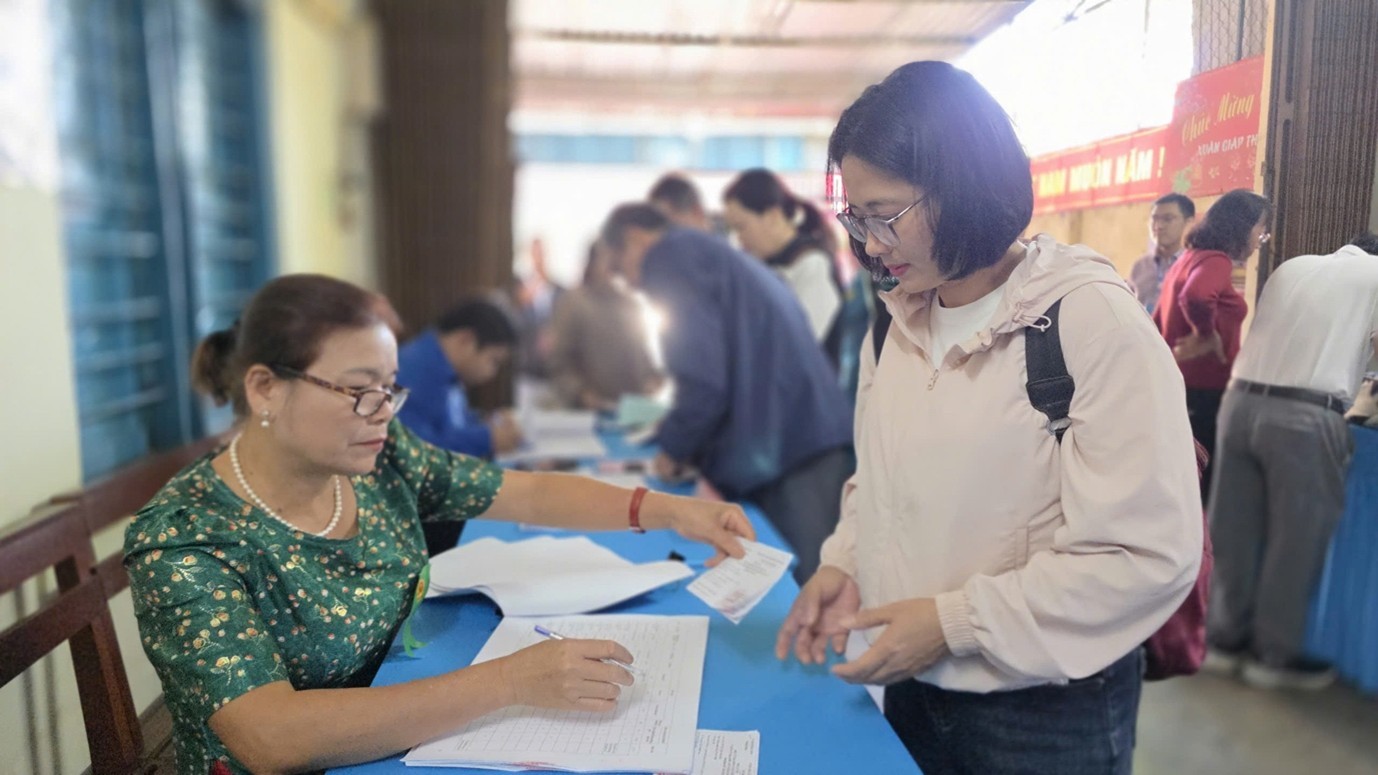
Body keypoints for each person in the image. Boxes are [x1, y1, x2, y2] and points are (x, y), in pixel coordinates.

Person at [124, 274, 754, 775]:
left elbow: (526, 494)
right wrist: (511, 680)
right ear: (265, 388)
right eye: (358, 390)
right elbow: (269, 737)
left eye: (391, 389)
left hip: (398, 725)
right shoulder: (187, 538)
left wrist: (668, 510)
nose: (383, 412)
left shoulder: (379, 457)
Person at [774, 61, 1201, 775]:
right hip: (911, 684)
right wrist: (847, 563)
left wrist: (951, 623)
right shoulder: (896, 321)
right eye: (856, 215)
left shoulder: (1085, 321)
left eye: (886, 215)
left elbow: (1147, 554)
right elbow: (881, 482)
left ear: (965, 187)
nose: (869, 243)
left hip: (1038, 716)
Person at [599, 203, 853, 583]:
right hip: (800, 433)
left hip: (793, 447)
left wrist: (673, 448)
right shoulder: (704, 251)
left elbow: (703, 380)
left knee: (808, 591)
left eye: (621, 270)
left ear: (636, 239)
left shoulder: (669, 258)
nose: (630, 284)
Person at [1205, 233, 1378, 690]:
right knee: (1295, 539)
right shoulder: (1376, 278)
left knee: (1234, 528)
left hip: (1239, 404)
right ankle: (1272, 655)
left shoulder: (1296, 265)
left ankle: (1222, 641)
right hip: (1305, 416)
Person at [1153, 189, 1272, 504]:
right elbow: (1196, 295)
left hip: (1181, 387)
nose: (1262, 235)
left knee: (1183, 480)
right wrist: (1207, 335)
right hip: (1204, 393)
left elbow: (1156, 319)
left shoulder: (1189, 258)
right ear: (1241, 226)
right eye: (1260, 226)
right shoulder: (1216, 261)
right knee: (1202, 485)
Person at [722, 168, 846, 367]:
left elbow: (796, 348)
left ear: (772, 215)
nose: (740, 239)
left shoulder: (811, 264)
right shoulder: (765, 265)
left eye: (741, 226)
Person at [396, 299, 523, 459]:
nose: (493, 373)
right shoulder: (413, 372)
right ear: (465, 340)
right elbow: (415, 451)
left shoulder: (443, 368)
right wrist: (487, 439)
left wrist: (488, 420)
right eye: (494, 361)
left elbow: (449, 425)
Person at [548, 242, 663, 410]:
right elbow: (559, 362)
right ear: (593, 263)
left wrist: (653, 379)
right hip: (590, 415)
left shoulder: (631, 304)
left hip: (633, 411)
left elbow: (643, 356)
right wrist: (580, 394)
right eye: (609, 261)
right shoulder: (573, 302)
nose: (615, 267)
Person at [1129, 193, 1196, 312]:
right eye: (1154, 219)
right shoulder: (1140, 266)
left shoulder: (1195, 265)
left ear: (1188, 223)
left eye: (1168, 219)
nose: (1158, 226)